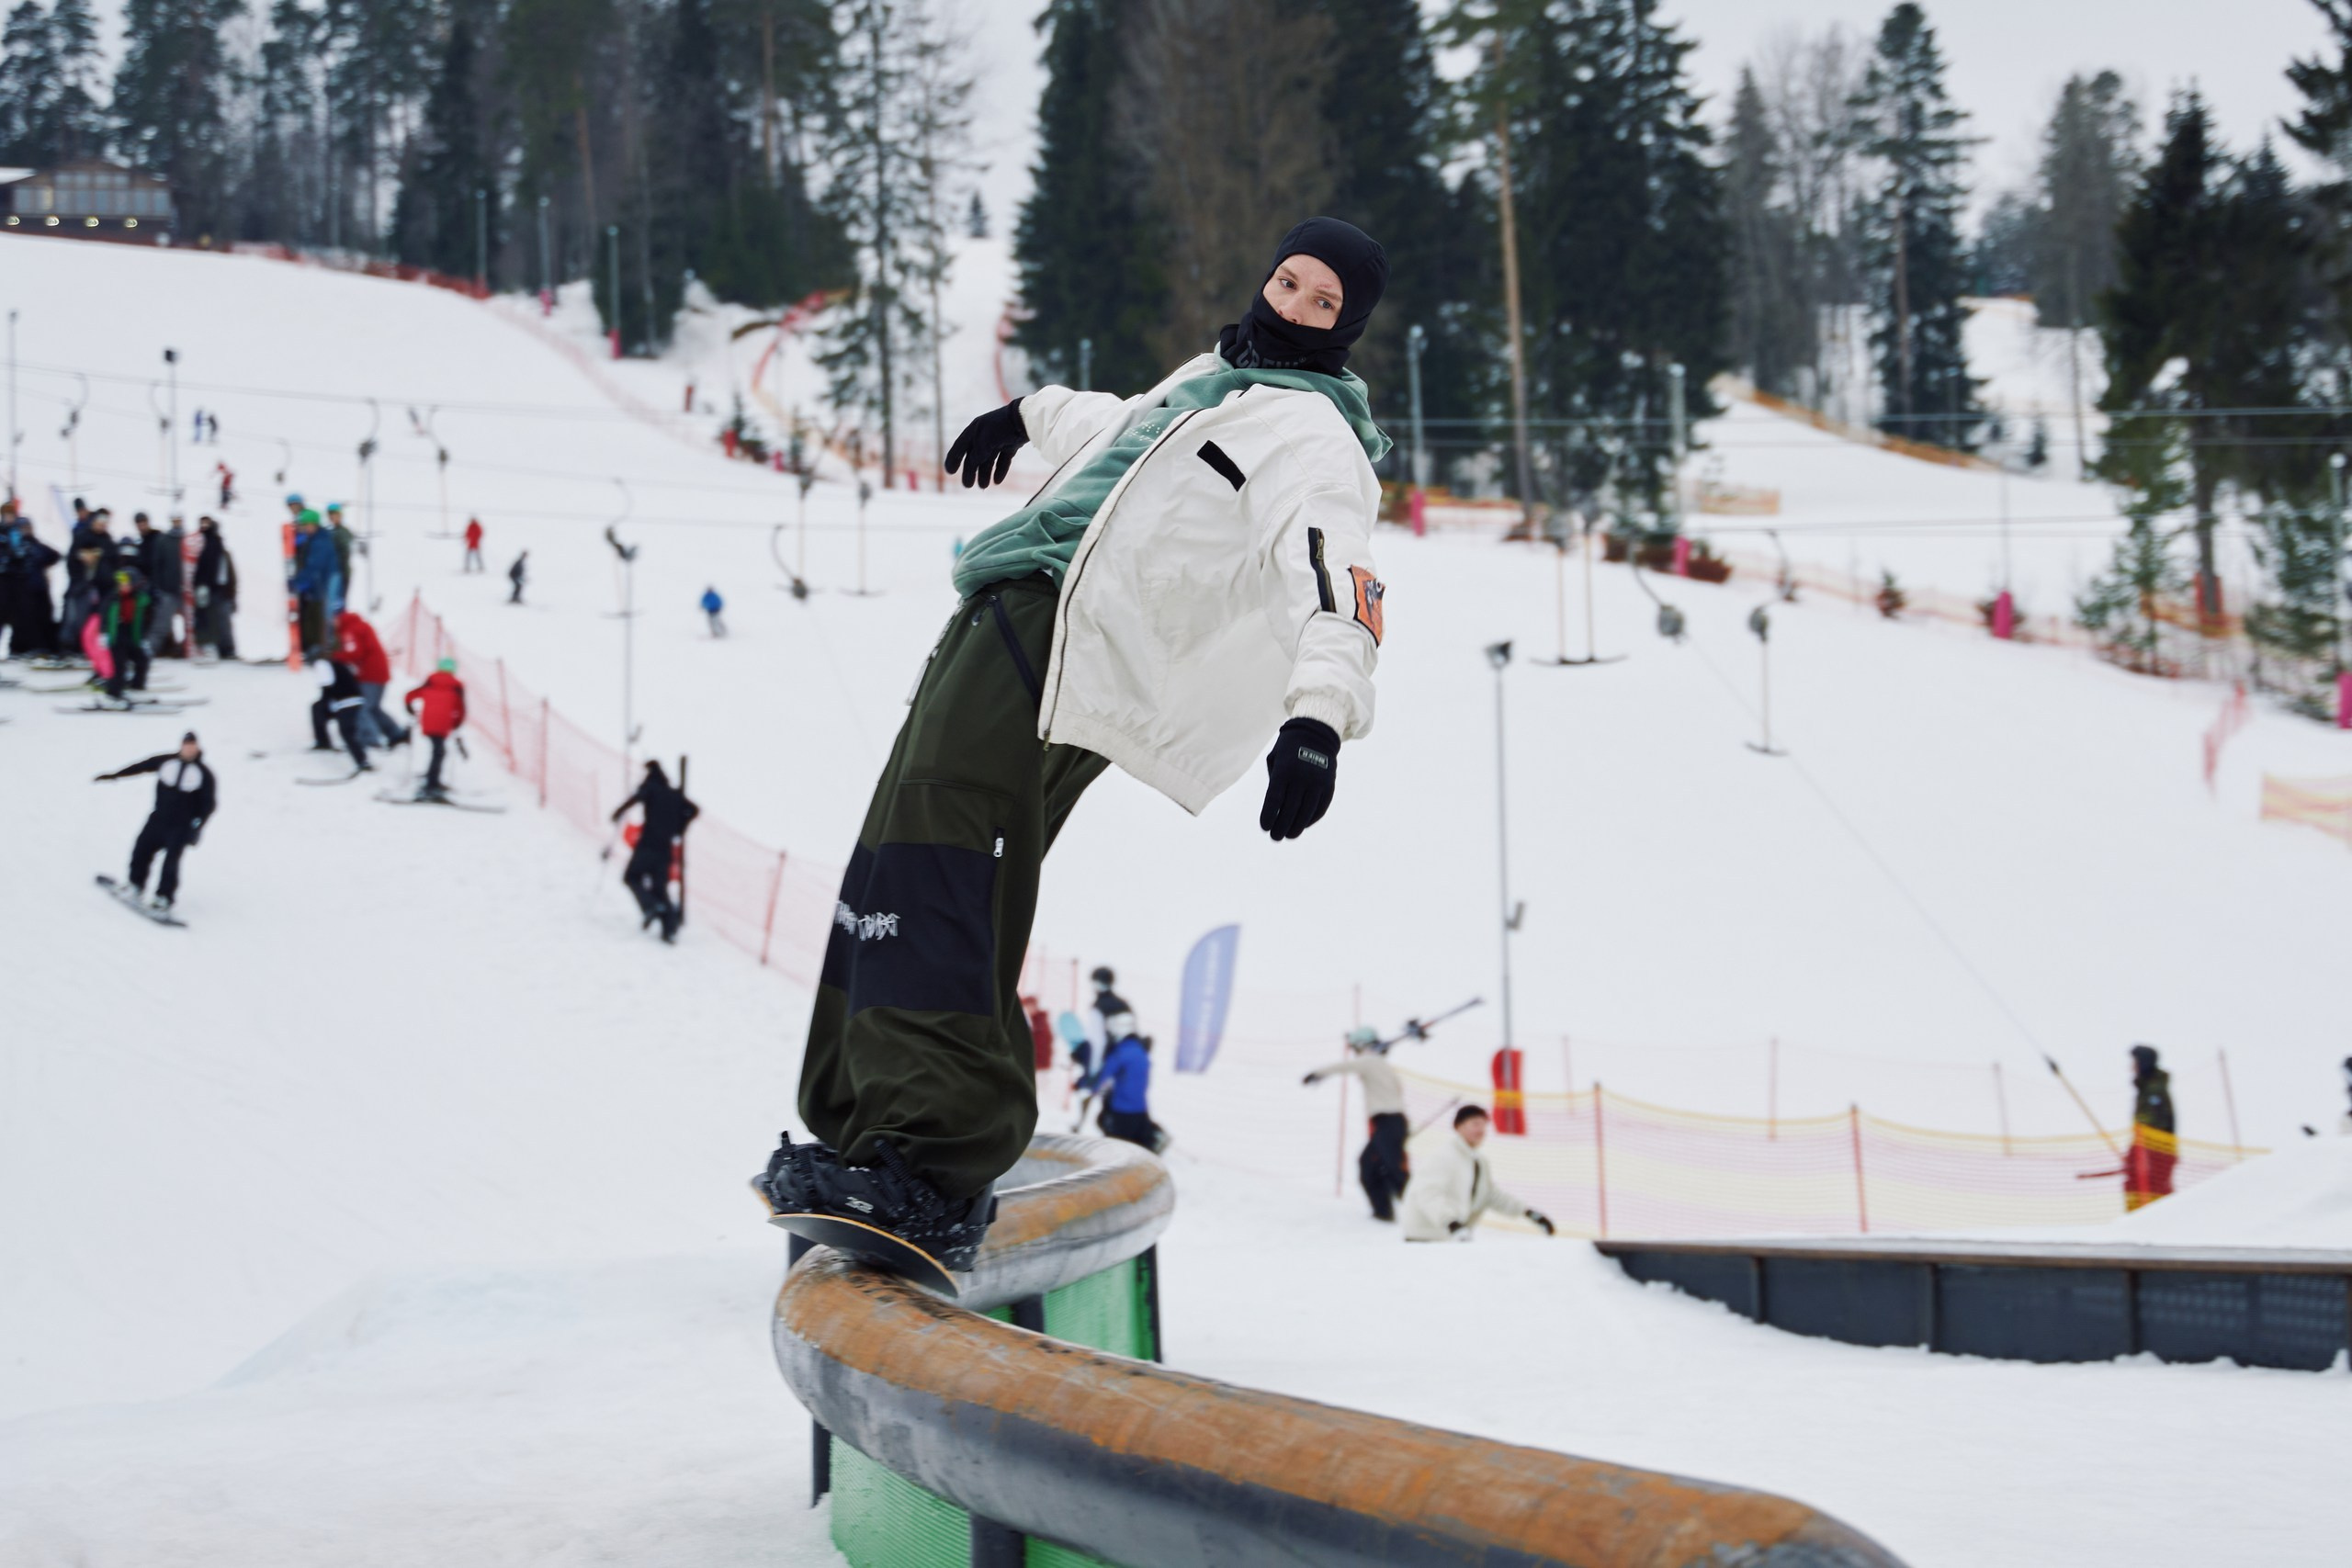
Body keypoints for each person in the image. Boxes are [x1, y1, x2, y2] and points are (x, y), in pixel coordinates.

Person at [758, 217, 1394, 1271]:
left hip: (1074, 644)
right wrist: (1027, 413)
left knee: (948, 856)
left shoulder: (1315, 441)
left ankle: (933, 1158)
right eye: (1286, 279)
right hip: (1007, 611)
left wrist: (1318, 717)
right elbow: (1120, 430)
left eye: (1322, 301)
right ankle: (864, 1125)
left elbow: (1338, 577)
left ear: (1349, 327)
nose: (1292, 305)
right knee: (897, 852)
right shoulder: (1207, 383)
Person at [96, 731, 216, 913]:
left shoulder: (204, 774)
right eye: (186, 744)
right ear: (181, 745)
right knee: (141, 849)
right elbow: (142, 766)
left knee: (171, 862)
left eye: (192, 745)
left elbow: (209, 804)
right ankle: (135, 885)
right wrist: (116, 775)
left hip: (180, 825)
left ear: (197, 747)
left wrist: (197, 827)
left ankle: (164, 898)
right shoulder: (167, 762)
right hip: (158, 818)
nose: (189, 748)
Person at [1400, 1106, 1555, 1242]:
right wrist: (1451, 1223)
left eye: (1483, 1125)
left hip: (1449, 1239)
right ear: (1459, 1127)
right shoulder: (1443, 1156)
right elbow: (1428, 1193)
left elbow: (1490, 1195)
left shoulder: (1478, 1161)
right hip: (1424, 1239)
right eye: (1475, 1124)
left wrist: (1527, 1212)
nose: (1480, 1130)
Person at [1304, 1025, 1410, 1221]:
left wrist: (1317, 1073)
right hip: (1391, 1122)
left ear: (1361, 1045)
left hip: (1389, 1121)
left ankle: (1423, 1212)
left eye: (1354, 1047)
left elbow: (1343, 1067)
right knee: (1369, 1165)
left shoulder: (1370, 1060)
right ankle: (1383, 1212)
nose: (1354, 1052)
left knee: (1393, 1170)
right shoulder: (1381, 1064)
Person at [610, 760, 700, 942]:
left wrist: (618, 812)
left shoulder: (651, 788)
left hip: (647, 845)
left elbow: (636, 798)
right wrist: (680, 828)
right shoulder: (674, 794)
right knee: (660, 887)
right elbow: (693, 810)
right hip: (665, 850)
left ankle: (650, 906)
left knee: (631, 877)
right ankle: (670, 929)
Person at [332, 607, 408, 749]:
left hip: (370, 674)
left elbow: (355, 652)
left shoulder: (350, 630)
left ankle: (369, 739)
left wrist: (335, 657)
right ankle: (396, 733)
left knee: (363, 708)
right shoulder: (360, 625)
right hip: (379, 672)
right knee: (374, 708)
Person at [0, 501, 61, 657]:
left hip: (25, 586)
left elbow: (53, 555)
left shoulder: (28, 541)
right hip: (9, 583)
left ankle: (29, 648)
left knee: (25, 619)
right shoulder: (6, 534)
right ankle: (18, 648)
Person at [2122, 1044, 2177, 1211]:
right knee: (2137, 1187)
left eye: (2135, 1062)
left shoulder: (2154, 1089)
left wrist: (2138, 1152)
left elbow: (2152, 1123)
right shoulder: (2146, 1087)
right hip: (2147, 1151)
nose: (2132, 1067)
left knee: (2153, 1191)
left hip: (2156, 1153)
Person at [1091, 1031, 1165, 1152]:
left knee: (1116, 1147)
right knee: (1137, 1149)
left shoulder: (1120, 1053)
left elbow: (1103, 1076)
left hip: (1121, 1110)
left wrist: (1089, 1087)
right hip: (1141, 1109)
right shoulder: (1143, 1054)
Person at [404, 657, 468, 795]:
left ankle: (432, 779)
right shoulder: (457, 685)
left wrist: (409, 707)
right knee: (439, 752)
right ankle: (432, 785)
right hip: (443, 723)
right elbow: (461, 708)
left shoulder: (430, 681)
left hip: (428, 721)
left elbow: (410, 695)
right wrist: (457, 724)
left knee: (438, 751)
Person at [308, 649, 371, 771]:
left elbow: (327, 688)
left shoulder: (321, 665)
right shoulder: (332, 663)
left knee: (346, 731)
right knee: (317, 708)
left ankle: (363, 762)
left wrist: (327, 704)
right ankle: (323, 741)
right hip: (349, 698)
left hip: (347, 700)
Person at [289, 511, 338, 652]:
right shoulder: (314, 539)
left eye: (307, 525)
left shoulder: (320, 541)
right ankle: (311, 646)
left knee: (318, 614)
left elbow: (314, 565)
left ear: (314, 524)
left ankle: (320, 647)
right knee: (311, 612)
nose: (305, 528)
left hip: (323, 584)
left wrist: (298, 581)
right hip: (317, 584)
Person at [100, 567, 151, 701]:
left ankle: (137, 686)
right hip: (117, 636)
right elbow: (104, 615)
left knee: (143, 660)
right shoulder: (113, 597)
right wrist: (103, 633)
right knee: (120, 667)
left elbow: (147, 613)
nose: (123, 586)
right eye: (121, 584)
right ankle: (113, 693)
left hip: (132, 636)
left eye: (126, 584)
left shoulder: (140, 598)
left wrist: (144, 638)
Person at [192, 516, 237, 660]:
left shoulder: (216, 546)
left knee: (220, 620)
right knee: (210, 620)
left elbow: (226, 573)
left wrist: (231, 593)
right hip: (209, 589)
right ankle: (216, 647)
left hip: (217, 589)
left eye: (207, 524)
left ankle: (226, 649)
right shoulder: (201, 544)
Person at [323, 504, 356, 618]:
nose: (333, 518)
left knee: (339, 602)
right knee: (330, 602)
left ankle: (338, 625)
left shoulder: (343, 532)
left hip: (341, 572)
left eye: (336, 515)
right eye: (331, 515)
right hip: (330, 572)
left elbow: (345, 548)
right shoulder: (328, 531)